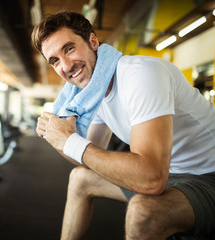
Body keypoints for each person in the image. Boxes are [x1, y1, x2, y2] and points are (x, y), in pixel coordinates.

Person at [32, 11, 215, 240]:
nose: (66, 65)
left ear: (93, 41)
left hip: (208, 174)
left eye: (69, 48)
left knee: (143, 211)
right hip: (173, 173)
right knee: (80, 178)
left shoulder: (140, 74)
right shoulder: (94, 93)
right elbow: (87, 160)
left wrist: (69, 141)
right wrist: (57, 137)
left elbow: (152, 178)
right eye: (55, 61)